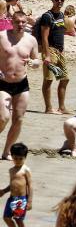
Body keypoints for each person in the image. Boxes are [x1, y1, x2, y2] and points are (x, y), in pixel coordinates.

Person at [0, 11, 40, 159]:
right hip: (3, 83)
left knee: (19, 119)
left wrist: (34, 63)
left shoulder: (31, 40)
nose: (21, 25)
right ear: (12, 21)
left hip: (22, 84)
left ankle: (7, 151)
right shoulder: (2, 36)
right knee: (3, 117)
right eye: (18, 22)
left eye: (23, 22)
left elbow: (37, 61)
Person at [40, 0, 69, 115]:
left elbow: (61, 33)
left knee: (65, 78)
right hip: (50, 51)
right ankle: (48, 108)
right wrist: (46, 55)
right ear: (52, 0)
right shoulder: (47, 16)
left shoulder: (61, 15)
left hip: (60, 51)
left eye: (62, 0)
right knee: (49, 80)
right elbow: (44, 37)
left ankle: (61, 107)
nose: (59, 2)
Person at [0, 142, 31, 227]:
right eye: (15, 158)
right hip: (11, 198)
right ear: (12, 156)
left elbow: (30, 186)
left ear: (25, 158)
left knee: (19, 220)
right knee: (6, 217)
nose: (17, 161)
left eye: (20, 159)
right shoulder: (11, 170)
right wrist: (4, 191)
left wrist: (29, 201)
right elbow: (12, 185)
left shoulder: (25, 170)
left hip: (21, 199)